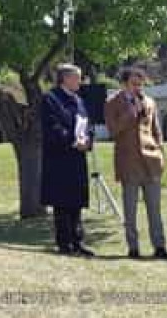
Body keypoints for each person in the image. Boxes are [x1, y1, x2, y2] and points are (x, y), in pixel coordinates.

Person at [104, 67, 167, 259]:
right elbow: (112, 130)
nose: (138, 88)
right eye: (134, 84)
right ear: (124, 84)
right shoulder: (112, 102)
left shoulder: (150, 102)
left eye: (141, 84)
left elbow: (156, 131)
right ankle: (133, 248)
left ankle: (160, 246)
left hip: (151, 161)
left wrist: (161, 153)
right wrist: (130, 113)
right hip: (128, 162)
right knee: (130, 210)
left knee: (155, 209)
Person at [40, 63, 95, 257]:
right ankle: (65, 243)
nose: (80, 81)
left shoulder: (79, 100)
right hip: (60, 158)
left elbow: (88, 124)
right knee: (62, 203)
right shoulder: (50, 99)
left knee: (76, 202)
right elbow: (52, 127)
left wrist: (87, 141)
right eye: (77, 77)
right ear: (65, 78)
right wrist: (72, 141)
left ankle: (78, 241)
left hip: (77, 159)